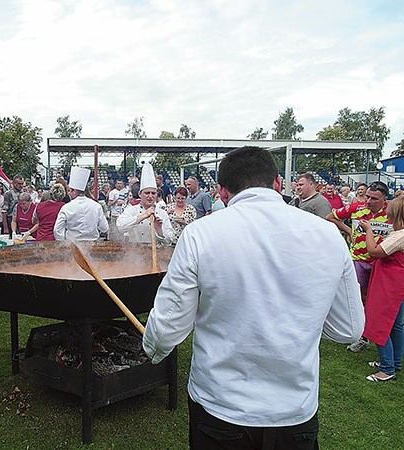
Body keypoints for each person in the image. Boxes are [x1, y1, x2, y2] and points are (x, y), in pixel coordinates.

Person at [143, 146, 364, 450]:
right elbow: (348, 329)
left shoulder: (200, 234)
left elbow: (168, 327)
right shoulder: (327, 235)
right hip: (294, 411)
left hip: (222, 407)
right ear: (278, 183)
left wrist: (151, 348)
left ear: (222, 192)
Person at [326, 180, 392, 352]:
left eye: (374, 199)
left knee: (380, 302)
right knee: (360, 299)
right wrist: (349, 231)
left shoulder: (392, 212)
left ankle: (386, 336)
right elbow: (331, 217)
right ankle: (364, 336)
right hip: (359, 260)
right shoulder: (357, 208)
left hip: (382, 262)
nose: (369, 201)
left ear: (385, 198)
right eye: (368, 197)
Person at [359, 196, 404, 381]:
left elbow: (374, 251)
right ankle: (395, 362)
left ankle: (387, 369)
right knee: (395, 324)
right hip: (396, 284)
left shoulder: (399, 235)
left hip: (390, 285)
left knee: (379, 322)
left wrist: (368, 230)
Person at [116, 163, 175, 244]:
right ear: (140, 194)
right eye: (147, 193)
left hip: (157, 254)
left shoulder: (162, 213)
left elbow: (170, 240)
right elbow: (120, 226)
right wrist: (143, 216)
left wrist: (159, 230)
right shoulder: (131, 210)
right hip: (134, 253)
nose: (150, 196)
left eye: (153, 193)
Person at [54, 166, 109, 241]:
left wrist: (63, 243)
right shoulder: (96, 206)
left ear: (74, 191)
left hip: (73, 245)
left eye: (70, 190)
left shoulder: (66, 207)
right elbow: (104, 228)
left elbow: (57, 230)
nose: (69, 193)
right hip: (93, 245)